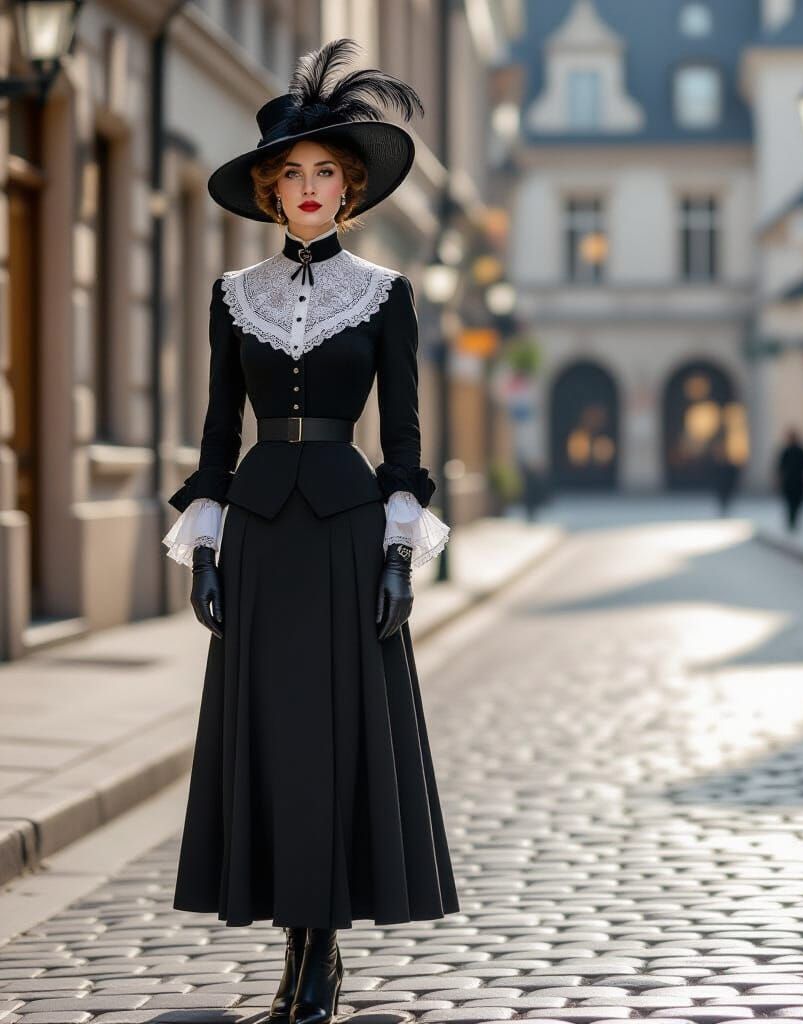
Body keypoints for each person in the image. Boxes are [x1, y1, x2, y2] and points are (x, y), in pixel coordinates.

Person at [160, 39, 459, 1024]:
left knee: (329, 746)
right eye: (292, 174)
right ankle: (288, 959)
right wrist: (203, 549)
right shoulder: (231, 299)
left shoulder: (385, 297)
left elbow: (406, 445)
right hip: (257, 538)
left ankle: (320, 962)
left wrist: (398, 559)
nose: (309, 188)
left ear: (352, 189)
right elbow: (215, 431)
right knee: (272, 746)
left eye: (326, 173)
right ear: (269, 191)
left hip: (342, 537)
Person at [776, 428, 803, 531]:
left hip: (798, 481)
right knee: (790, 503)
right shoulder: (786, 451)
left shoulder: (801, 451)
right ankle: (792, 522)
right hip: (790, 482)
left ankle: (793, 522)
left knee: (796, 503)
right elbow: (780, 467)